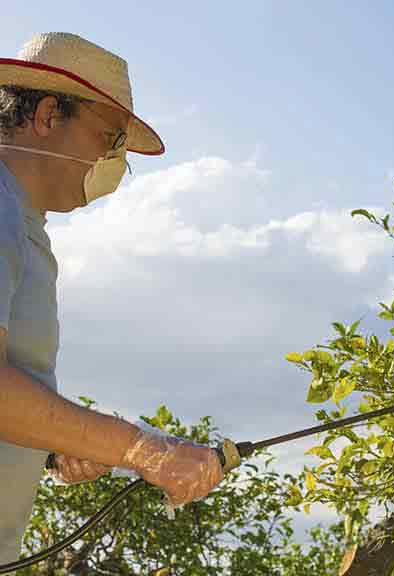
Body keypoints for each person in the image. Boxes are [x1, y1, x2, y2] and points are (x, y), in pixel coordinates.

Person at [0, 32, 224, 564]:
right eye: (108, 138)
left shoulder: (23, 222)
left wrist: (57, 442)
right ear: (50, 115)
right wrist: (141, 450)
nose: (113, 161)